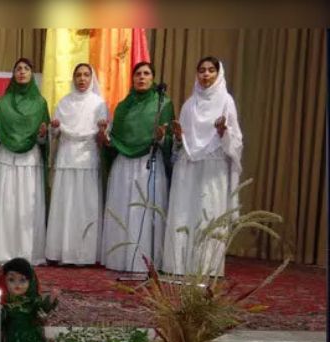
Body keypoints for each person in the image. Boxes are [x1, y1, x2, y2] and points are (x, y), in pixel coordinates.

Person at [162, 57, 243, 277]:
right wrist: (178, 137)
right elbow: (182, 143)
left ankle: (205, 268)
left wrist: (223, 132)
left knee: (208, 213)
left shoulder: (226, 101)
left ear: (218, 73)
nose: (206, 74)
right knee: (184, 212)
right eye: (201, 70)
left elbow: (236, 141)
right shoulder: (189, 104)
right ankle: (178, 266)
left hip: (213, 167)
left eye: (210, 70)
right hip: (187, 167)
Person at [99, 61, 174, 272]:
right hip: (124, 166)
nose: (142, 77)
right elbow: (115, 139)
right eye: (138, 74)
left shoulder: (163, 104)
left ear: (153, 78)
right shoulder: (123, 107)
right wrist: (106, 140)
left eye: (146, 73)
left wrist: (162, 137)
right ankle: (120, 259)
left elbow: (171, 140)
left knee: (145, 211)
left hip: (149, 164)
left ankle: (145, 261)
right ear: (132, 79)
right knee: (123, 210)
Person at [0, 58, 50, 266]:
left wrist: (42, 135)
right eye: (18, 69)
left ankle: (29, 252)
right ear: (13, 74)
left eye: (26, 68)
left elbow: (43, 141)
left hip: (30, 160)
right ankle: (3, 251)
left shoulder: (40, 103)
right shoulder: (4, 103)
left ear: (32, 74)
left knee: (27, 208)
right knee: (6, 206)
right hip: (7, 159)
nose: (22, 72)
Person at [45, 63, 109, 265]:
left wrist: (102, 131)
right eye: (78, 75)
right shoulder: (64, 103)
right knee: (66, 206)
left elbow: (104, 136)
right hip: (66, 157)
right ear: (73, 79)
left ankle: (85, 254)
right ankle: (62, 252)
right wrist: (55, 128)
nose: (82, 79)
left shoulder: (99, 103)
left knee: (85, 206)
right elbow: (55, 133)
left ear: (92, 78)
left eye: (86, 75)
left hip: (88, 159)